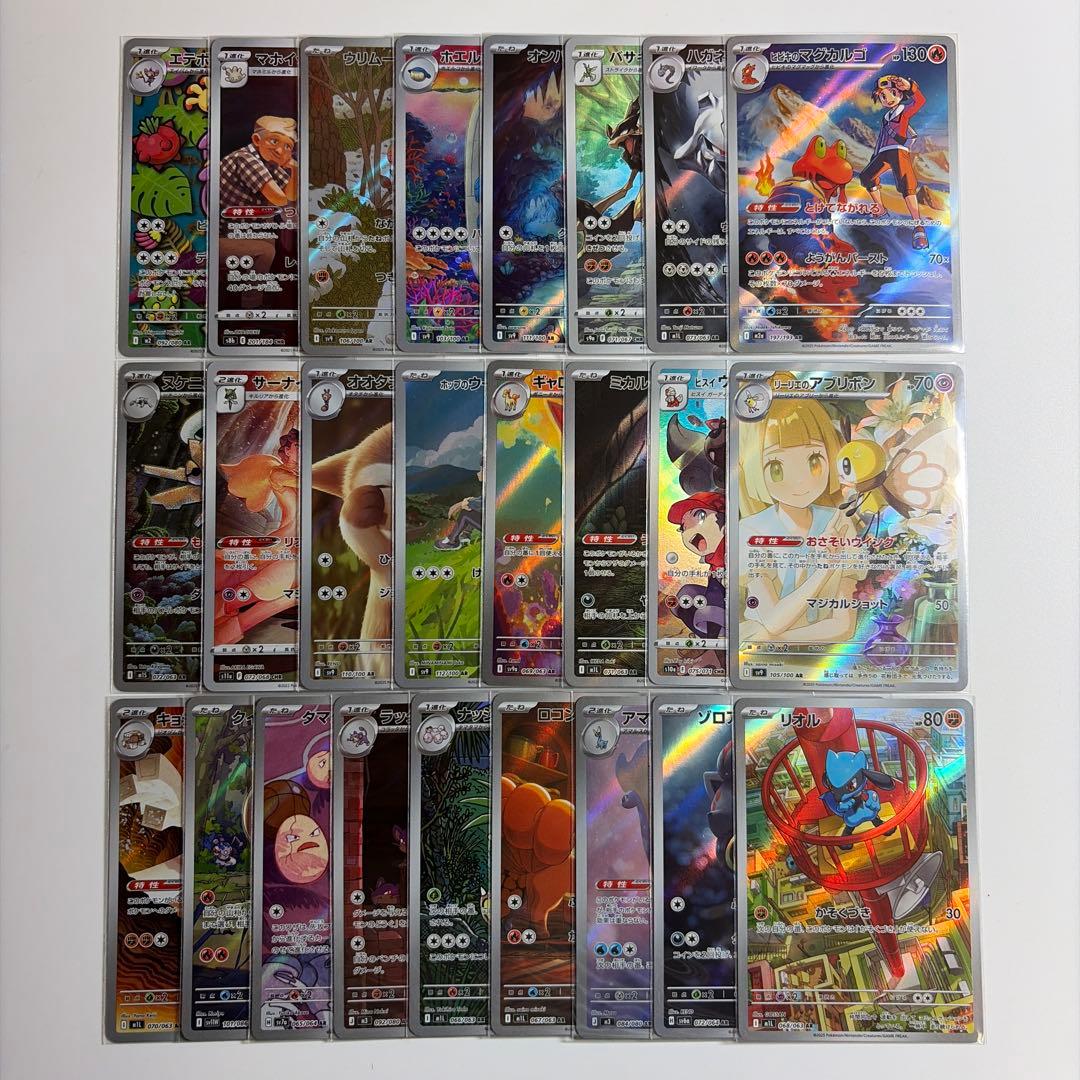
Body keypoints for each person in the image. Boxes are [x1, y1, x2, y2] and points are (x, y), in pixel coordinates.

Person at [218, 115, 299, 307]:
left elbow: (290, 196)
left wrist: (294, 170)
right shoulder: (245, 158)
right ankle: (251, 305)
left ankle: (245, 296)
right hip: (213, 238)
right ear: (256, 139)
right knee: (265, 251)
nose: (280, 150)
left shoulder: (267, 161)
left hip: (235, 233)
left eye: (288, 146)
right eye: (274, 141)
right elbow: (279, 198)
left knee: (269, 240)